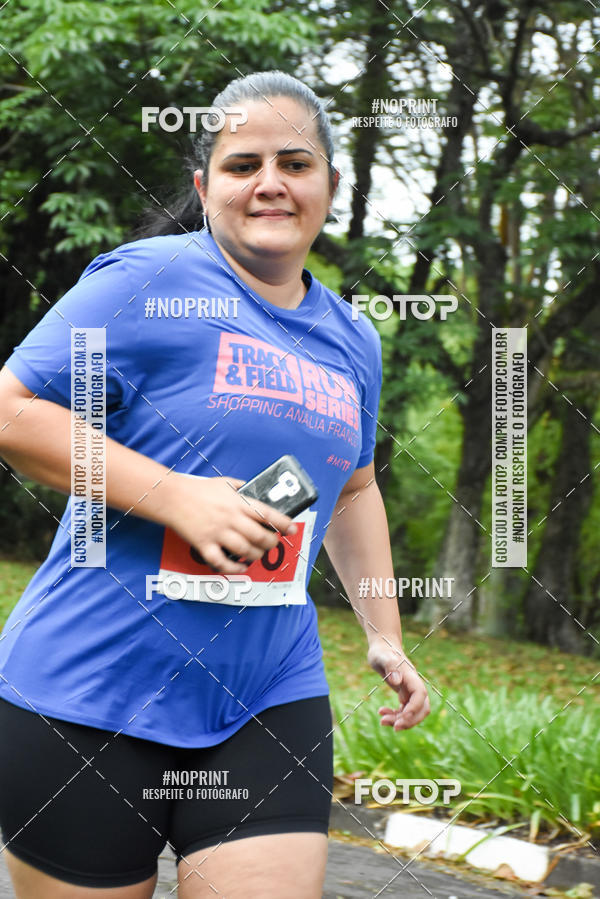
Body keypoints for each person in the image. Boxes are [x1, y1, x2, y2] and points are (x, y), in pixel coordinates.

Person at [0, 70, 430, 898]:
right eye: (242, 165)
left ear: (331, 187)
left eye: (295, 162)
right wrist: (176, 494)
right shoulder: (147, 280)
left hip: (267, 690)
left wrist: (385, 632)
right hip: (91, 688)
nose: (270, 182)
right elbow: (13, 411)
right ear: (205, 188)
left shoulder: (353, 339)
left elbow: (353, 489)